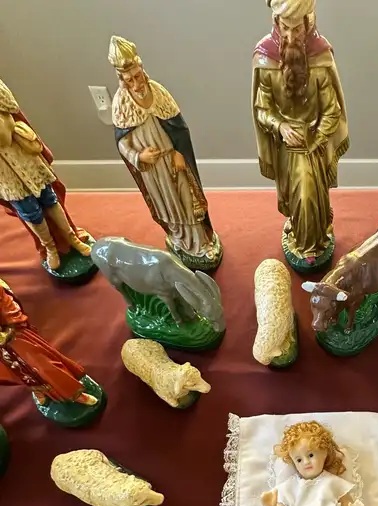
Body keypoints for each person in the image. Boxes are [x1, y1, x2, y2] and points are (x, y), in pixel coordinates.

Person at [108, 36, 221, 270]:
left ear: (142, 70)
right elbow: (122, 143)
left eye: (138, 76)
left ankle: (201, 241)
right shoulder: (121, 104)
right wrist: (139, 157)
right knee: (168, 206)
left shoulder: (158, 92)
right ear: (122, 80)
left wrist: (179, 153)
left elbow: (179, 128)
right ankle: (180, 239)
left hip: (172, 160)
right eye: (129, 80)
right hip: (152, 169)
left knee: (188, 200)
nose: (136, 84)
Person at [252, 0, 349, 269]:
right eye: (285, 28)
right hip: (284, 145)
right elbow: (262, 109)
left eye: (297, 29)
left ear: (308, 24)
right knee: (296, 196)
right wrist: (281, 127)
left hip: (313, 143)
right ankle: (299, 231)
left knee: (310, 194)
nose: (291, 36)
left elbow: (332, 110)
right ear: (276, 24)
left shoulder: (320, 58)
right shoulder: (266, 59)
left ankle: (312, 244)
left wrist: (316, 141)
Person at [0, 80, 92, 271]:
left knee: (50, 199)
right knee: (30, 212)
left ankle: (71, 238)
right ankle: (50, 247)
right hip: (6, 176)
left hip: (24, 159)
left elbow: (10, 106)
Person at [0, 280, 97, 407]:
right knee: (15, 373)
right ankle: (39, 391)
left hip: (13, 336)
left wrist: (9, 330)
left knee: (45, 365)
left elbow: (9, 306)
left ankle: (74, 393)